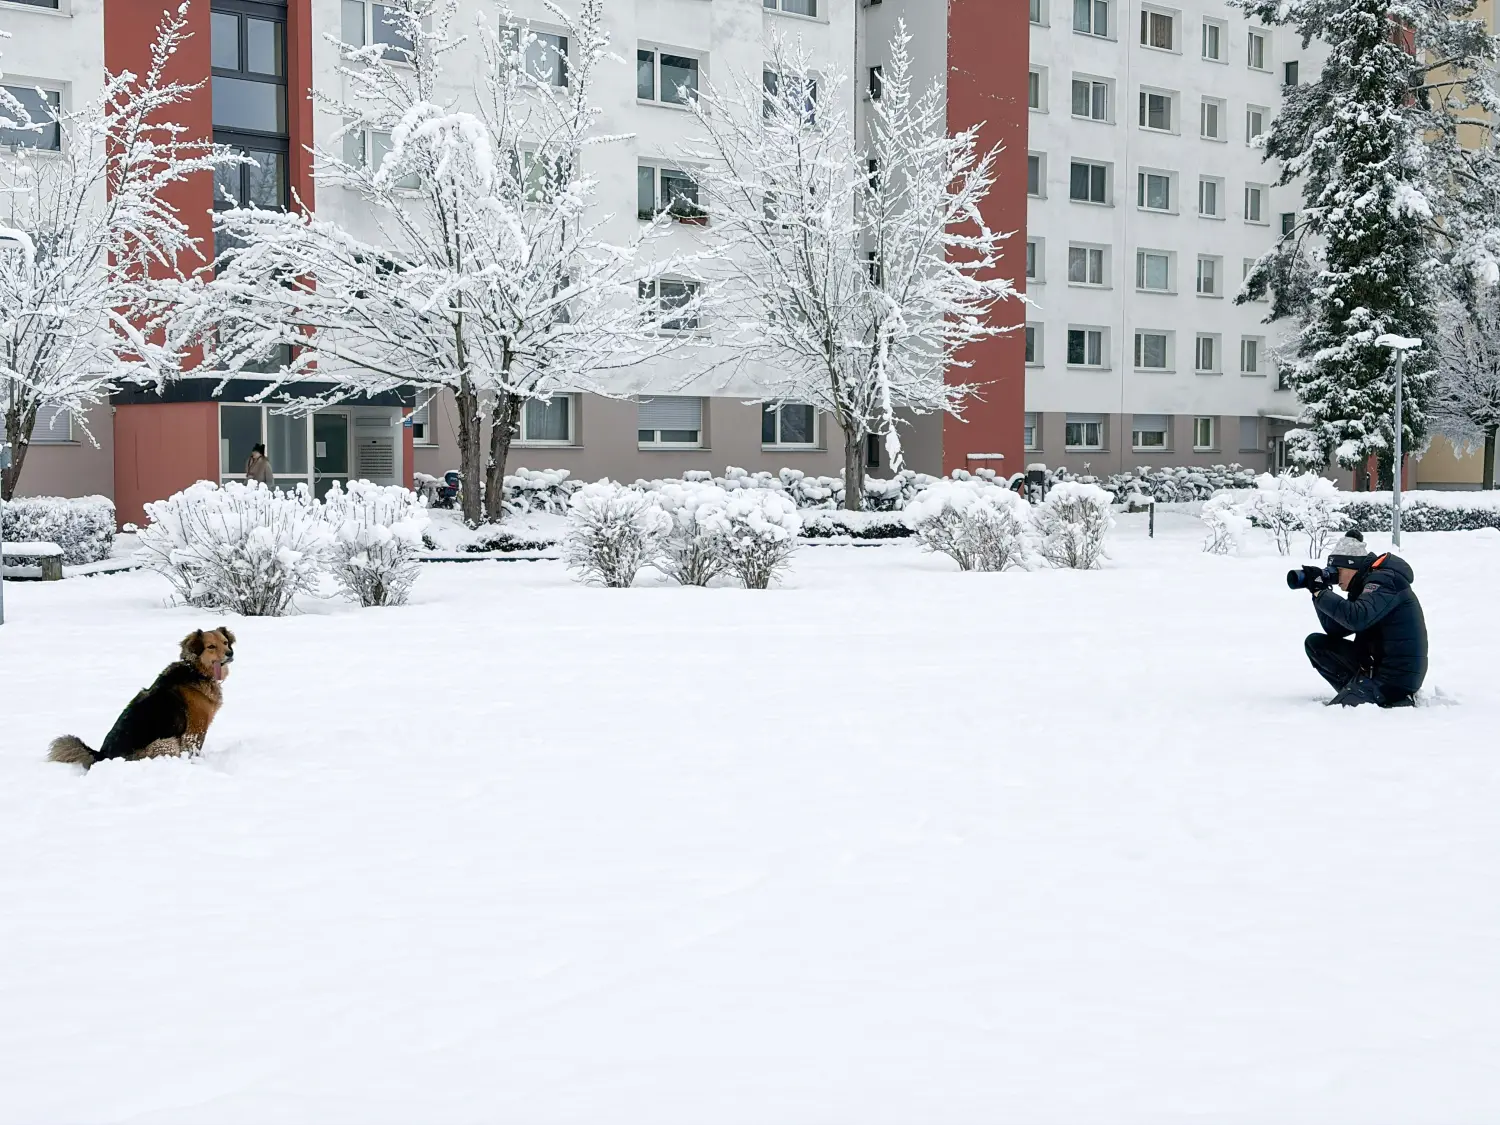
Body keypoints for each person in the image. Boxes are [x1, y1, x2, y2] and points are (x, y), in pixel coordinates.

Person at [1304, 531, 1428, 707]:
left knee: (1335, 714)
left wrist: (1321, 592)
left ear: (1352, 566)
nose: (1335, 578)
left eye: (1338, 571)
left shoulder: (1384, 580)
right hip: (1374, 668)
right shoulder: (1364, 585)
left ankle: (1381, 698)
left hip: (1395, 680)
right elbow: (1335, 629)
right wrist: (1318, 592)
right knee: (1316, 644)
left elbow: (1357, 618)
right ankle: (1355, 689)